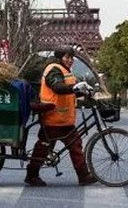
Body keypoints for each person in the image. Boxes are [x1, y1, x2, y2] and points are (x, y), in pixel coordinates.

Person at [25, 47, 97, 187]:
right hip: (53, 118)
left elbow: (70, 92)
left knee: (74, 146)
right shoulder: (54, 69)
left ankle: (83, 176)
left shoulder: (65, 72)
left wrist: (84, 92)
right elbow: (57, 87)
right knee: (44, 147)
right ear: (60, 58)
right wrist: (75, 88)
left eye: (72, 57)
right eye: (67, 57)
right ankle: (32, 175)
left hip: (64, 120)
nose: (70, 60)